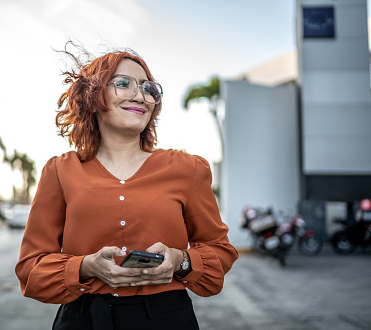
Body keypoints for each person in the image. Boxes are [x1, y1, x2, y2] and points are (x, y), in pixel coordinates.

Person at [15, 45, 239, 330]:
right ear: (93, 96)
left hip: (166, 319)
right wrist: (85, 266)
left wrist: (179, 259)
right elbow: (31, 267)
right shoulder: (59, 171)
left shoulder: (188, 169)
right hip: (83, 319)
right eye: (123, 83)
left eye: (149, 89)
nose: (141, 96)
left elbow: (220, 251)